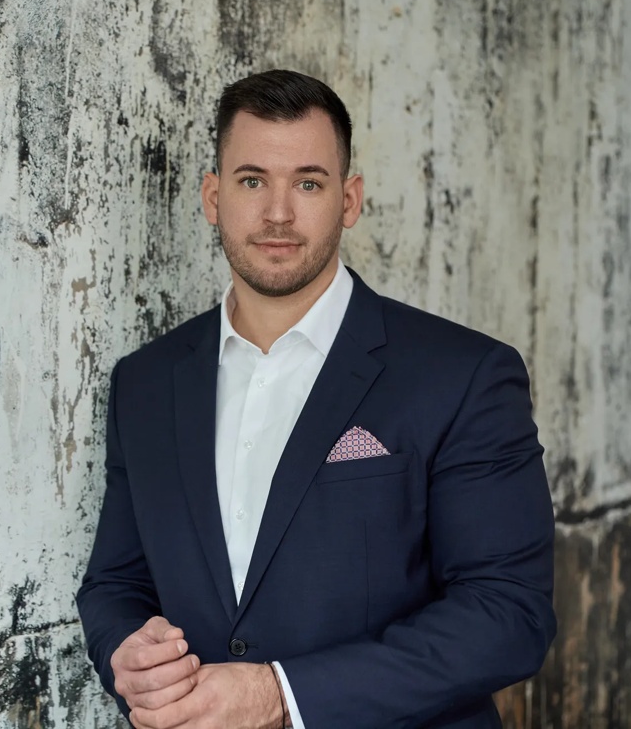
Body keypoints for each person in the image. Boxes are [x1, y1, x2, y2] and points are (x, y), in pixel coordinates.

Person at [76, 69, 556, 729]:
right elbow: (116, 582)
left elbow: (508, 614)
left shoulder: (464, 374)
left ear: (349, 199)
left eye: (308, 182)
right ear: (213, 197)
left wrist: (281, 696)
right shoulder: (146, 383)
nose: (278, 212)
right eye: (252, 181)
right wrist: (125, 652)